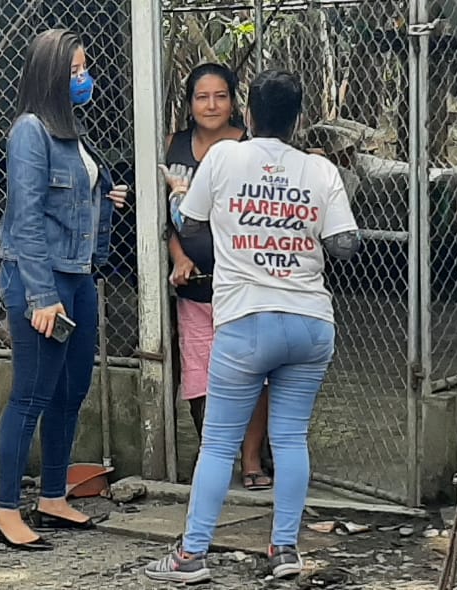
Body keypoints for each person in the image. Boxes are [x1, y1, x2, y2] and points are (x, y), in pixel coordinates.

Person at [145, 69, 360, 583]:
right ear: (298, 118)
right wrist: (296, 224)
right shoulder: (320, 169)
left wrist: (178, 193)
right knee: (290, 439)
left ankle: (191, 556)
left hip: (246, 321)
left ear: (249, 112)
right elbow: (345, 245)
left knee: (219, 444)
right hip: (310, 323)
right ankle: (284, 550)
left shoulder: (224, 157)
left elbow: (189, 226)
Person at [0, 28, 128, 552]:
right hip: (41, 280)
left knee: (70, 392)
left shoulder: (70, 130)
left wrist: (104, 198)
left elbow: (66, 203)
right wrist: (41, 296)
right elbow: (26, 219)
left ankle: (52, 497)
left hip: (79, 275)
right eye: (74, 71)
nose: (84, 78)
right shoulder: (30, 131)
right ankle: (5, 511)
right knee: (31, 395)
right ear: (50, 75)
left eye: (84, 69)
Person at [164, 63, 274, 491]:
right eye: (202, 97)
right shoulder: (173, 145)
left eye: (221, 96)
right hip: (193, 290)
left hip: (244, 287)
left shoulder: (251, 147)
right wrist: (179, 257)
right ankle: (215, 453)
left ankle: (251, 460)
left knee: (254, 376)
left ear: (233, 102)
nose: (211, 105)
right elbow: (165, 218)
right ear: (189, 103)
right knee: (198, 376)